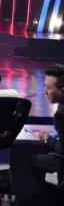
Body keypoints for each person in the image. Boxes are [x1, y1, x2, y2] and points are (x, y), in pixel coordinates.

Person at [29, 64, 64, 205]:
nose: (45, 92)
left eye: (49, 88)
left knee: (35, 161)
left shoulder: (61, 114)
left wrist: (47, 138)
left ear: (62, 91)